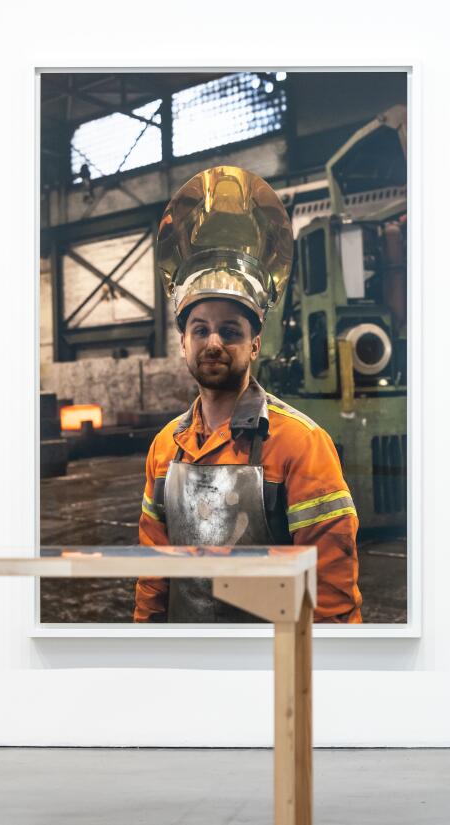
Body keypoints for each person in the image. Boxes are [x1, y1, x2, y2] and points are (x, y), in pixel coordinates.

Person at [134, 166, 363, 623]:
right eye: (200, 329)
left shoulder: (300, 444)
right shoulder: (165, 449)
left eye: (230, 330)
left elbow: (331, 592)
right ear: (183, 342)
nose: (213, 342)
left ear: (254, 344)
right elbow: (155, 574)